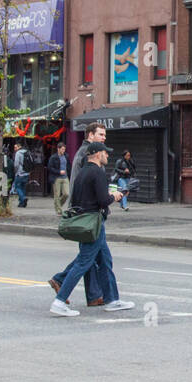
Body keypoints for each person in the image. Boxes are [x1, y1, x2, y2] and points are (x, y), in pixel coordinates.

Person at [49, 142, 133, 316]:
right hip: (93, 223)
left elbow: (78, 198)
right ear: (96, 154)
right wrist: (115, 196)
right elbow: (103, 200)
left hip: (86, 223)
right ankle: (59, 302)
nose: (108, 156)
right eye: (105, 153)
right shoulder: (97, 173)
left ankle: (112, 300)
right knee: (83, 263)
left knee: (105, 261)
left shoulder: (82, 173)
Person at [51, 125, 107, 305]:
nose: (104, 137)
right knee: (89, 256)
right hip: (88, 214)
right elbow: (87, 186)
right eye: (100, 134)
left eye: (105, 134)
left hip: (88, 213)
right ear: (90, 135)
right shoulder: (88, 156)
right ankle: (61, 284)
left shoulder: (86, 152)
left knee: (93, 256)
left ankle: (94, 295)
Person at [50, 142, 70, 215]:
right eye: (62, 149)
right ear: (58, 149)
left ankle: (57, 205)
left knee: (66, 194)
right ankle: (58, 210)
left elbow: (68, 166)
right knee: (57, 195)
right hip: (56, 177)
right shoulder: (53, 157)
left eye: (64, 149)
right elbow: (50, 168)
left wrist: (69, 174)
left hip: (65, 177)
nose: (63, 151)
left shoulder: (66, 156)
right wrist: (59, 172)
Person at [12, 142, 30, 208]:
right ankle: (22, 203)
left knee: (17, 187)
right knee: (23, 188)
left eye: (16, 147)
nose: (14, 149)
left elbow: (16, 164)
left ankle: (23, 198)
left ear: (19, 147)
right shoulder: (27, 152)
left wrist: (15, 171)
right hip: (27, 173)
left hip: (20, 173)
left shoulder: (18, 153)